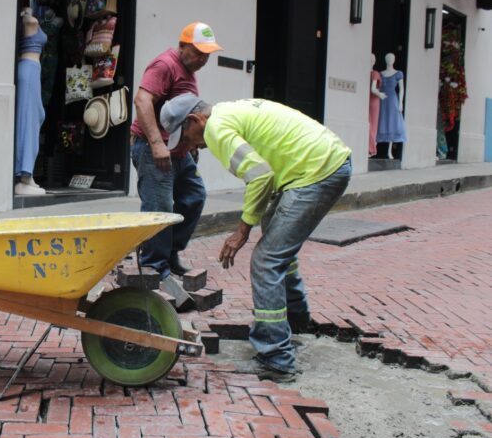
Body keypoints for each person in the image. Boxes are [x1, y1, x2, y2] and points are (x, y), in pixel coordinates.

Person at [161, 94, 352, 382]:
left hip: (316, 171)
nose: (192, 146)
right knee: (275, 241)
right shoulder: (229, 110)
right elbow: (267, 174)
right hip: (324, 163)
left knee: (266, 261)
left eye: (186, 138)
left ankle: (276, 359)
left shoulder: (216, 128)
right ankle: (296, 326)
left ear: (194, 120)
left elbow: (260, 177)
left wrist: (242, 230)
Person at [129, 22, 222, 306]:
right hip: (152, 148)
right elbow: (142, 100)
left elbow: (187, 115)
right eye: (198, 53)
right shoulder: (165, 64)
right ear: (182, 47)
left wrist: (192, 146)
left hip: (179, 153)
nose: (203, 59)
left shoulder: (188, 71)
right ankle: (154, 266)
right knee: (161, 207)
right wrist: (157, 144)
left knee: (194, 197)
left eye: (207, 54)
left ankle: (169, 253)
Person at [14, 6, 47, 195]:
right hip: (29, 69)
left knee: (35, 119)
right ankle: (23, 176)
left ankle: (28, 174)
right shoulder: (28, 19)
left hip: (32, 69)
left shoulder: (29, 19)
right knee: (29, 121)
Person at [376, 52, 406, 160]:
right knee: (381, 120)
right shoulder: (381, 73)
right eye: (388, 58)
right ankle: (375, 147)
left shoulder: (398, 73)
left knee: (392, 122)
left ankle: (389, 150)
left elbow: (401, 88)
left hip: (393, 99)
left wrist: (401, 102)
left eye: (391, 58)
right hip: (382, 99)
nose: (390, 60)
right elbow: (377, 87)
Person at [369, 54, 386, 157]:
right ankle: (371, 149)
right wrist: (380, 94)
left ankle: (369, 147)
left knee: (369, 123)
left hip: (368, 100)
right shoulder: (375, 73)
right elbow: (373, 89)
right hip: (374, 100)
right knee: (373, 125)